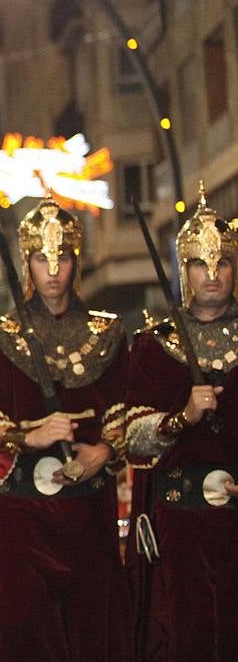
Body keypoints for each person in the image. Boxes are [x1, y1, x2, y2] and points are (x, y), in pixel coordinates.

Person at [0, 196, 130, 660]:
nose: (53, 269)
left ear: (79, 259)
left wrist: (103, 452)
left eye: (63, 257)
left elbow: (124, 413)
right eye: (41, 258)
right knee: (23, 635)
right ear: (26, 262)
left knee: (92, 633)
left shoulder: (109, 333)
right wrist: (27, 436)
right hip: (21, 516)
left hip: (88, 512)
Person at [124, 184, 238, 661]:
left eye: (223, 262)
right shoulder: (154, 346)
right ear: (184, 270)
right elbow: (132, 439)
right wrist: (182, 418)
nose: (212, 273)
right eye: (199, 263)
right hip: (176, 523)